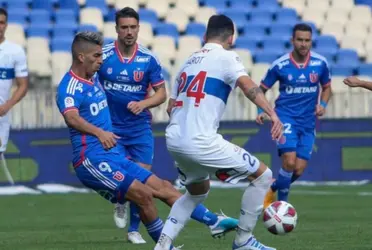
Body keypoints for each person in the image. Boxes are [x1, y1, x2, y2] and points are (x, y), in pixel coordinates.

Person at [56, 31, 239, 249]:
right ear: (80, 57)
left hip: (112, 155)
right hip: (91, 159)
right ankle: (164, 246)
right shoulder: (69, 86)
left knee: (161, 186)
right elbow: (71, 117)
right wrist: (99, 132)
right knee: (143, 195)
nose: (101, 61)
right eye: (96, 56)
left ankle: (213, 221)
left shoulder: (93, 77)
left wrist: (144, 102)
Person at [154, 15, 282, 250]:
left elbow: (171, 106)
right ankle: (243, 241)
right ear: (231, 38)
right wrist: (272, 114)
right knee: (263, 176)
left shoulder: (187, 62)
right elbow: (248, 86)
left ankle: (163, 245)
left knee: (196, 192)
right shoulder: (227, 57)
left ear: (205, 36)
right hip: (201, 141)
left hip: (174, 139)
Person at [97, 7, 166, 243]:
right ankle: (119, 200)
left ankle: (134, 230)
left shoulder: (148, 59)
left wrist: (144, 104)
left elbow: (162, 94)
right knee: (125, 180)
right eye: (124, 27)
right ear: (116, 29)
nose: (129, 32)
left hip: (139, 130)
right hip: (111, 130)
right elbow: (88, 81)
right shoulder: (103, 55)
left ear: (138, 29)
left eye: (133, 27)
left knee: (144, 181)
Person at [257, 23, 333, 208]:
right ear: (292, 40)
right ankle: (282, 206)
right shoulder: (280, 65)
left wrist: (322, 105)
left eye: (307, 40)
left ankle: (273, 188)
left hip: (308, 122)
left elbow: (327, 87)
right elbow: (261, 89)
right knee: (289, 161)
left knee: (298, 169)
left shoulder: (320, 63)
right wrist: (261, 111)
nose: (303, 44)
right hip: (285, 119)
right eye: (299, 40)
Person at [0, 8, 28, 184]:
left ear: (6, 25)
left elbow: (23, 85)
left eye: (2, 22)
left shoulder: (15, 51)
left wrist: (7, 105)